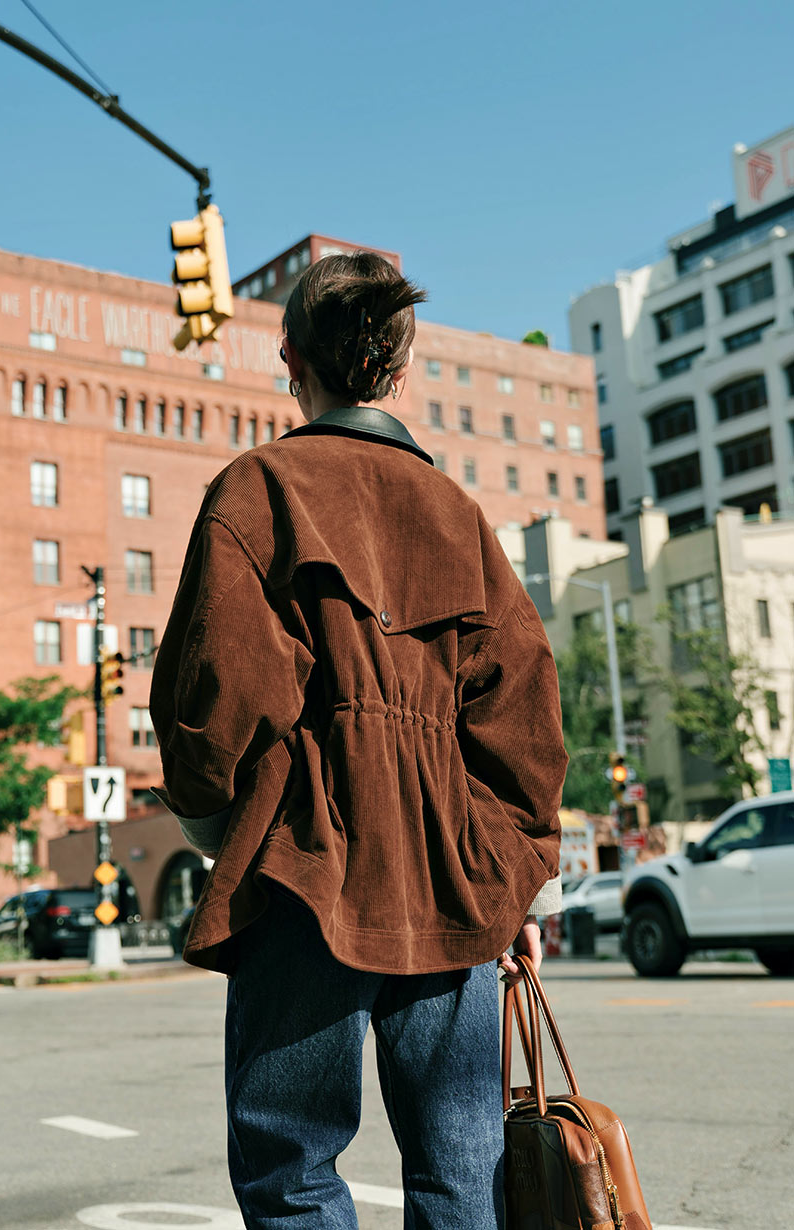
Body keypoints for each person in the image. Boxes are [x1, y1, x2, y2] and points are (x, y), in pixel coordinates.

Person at [149, 251, 567, 1229]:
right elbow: (524, 724)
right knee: (461, 1165)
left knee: (292, 1168)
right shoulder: (456, 514)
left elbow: (212, 700)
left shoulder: (257, 489)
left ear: (288, 356)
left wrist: (223, 834)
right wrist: (512, 878)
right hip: (452, 884)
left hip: (303, 874)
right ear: (397, 365)